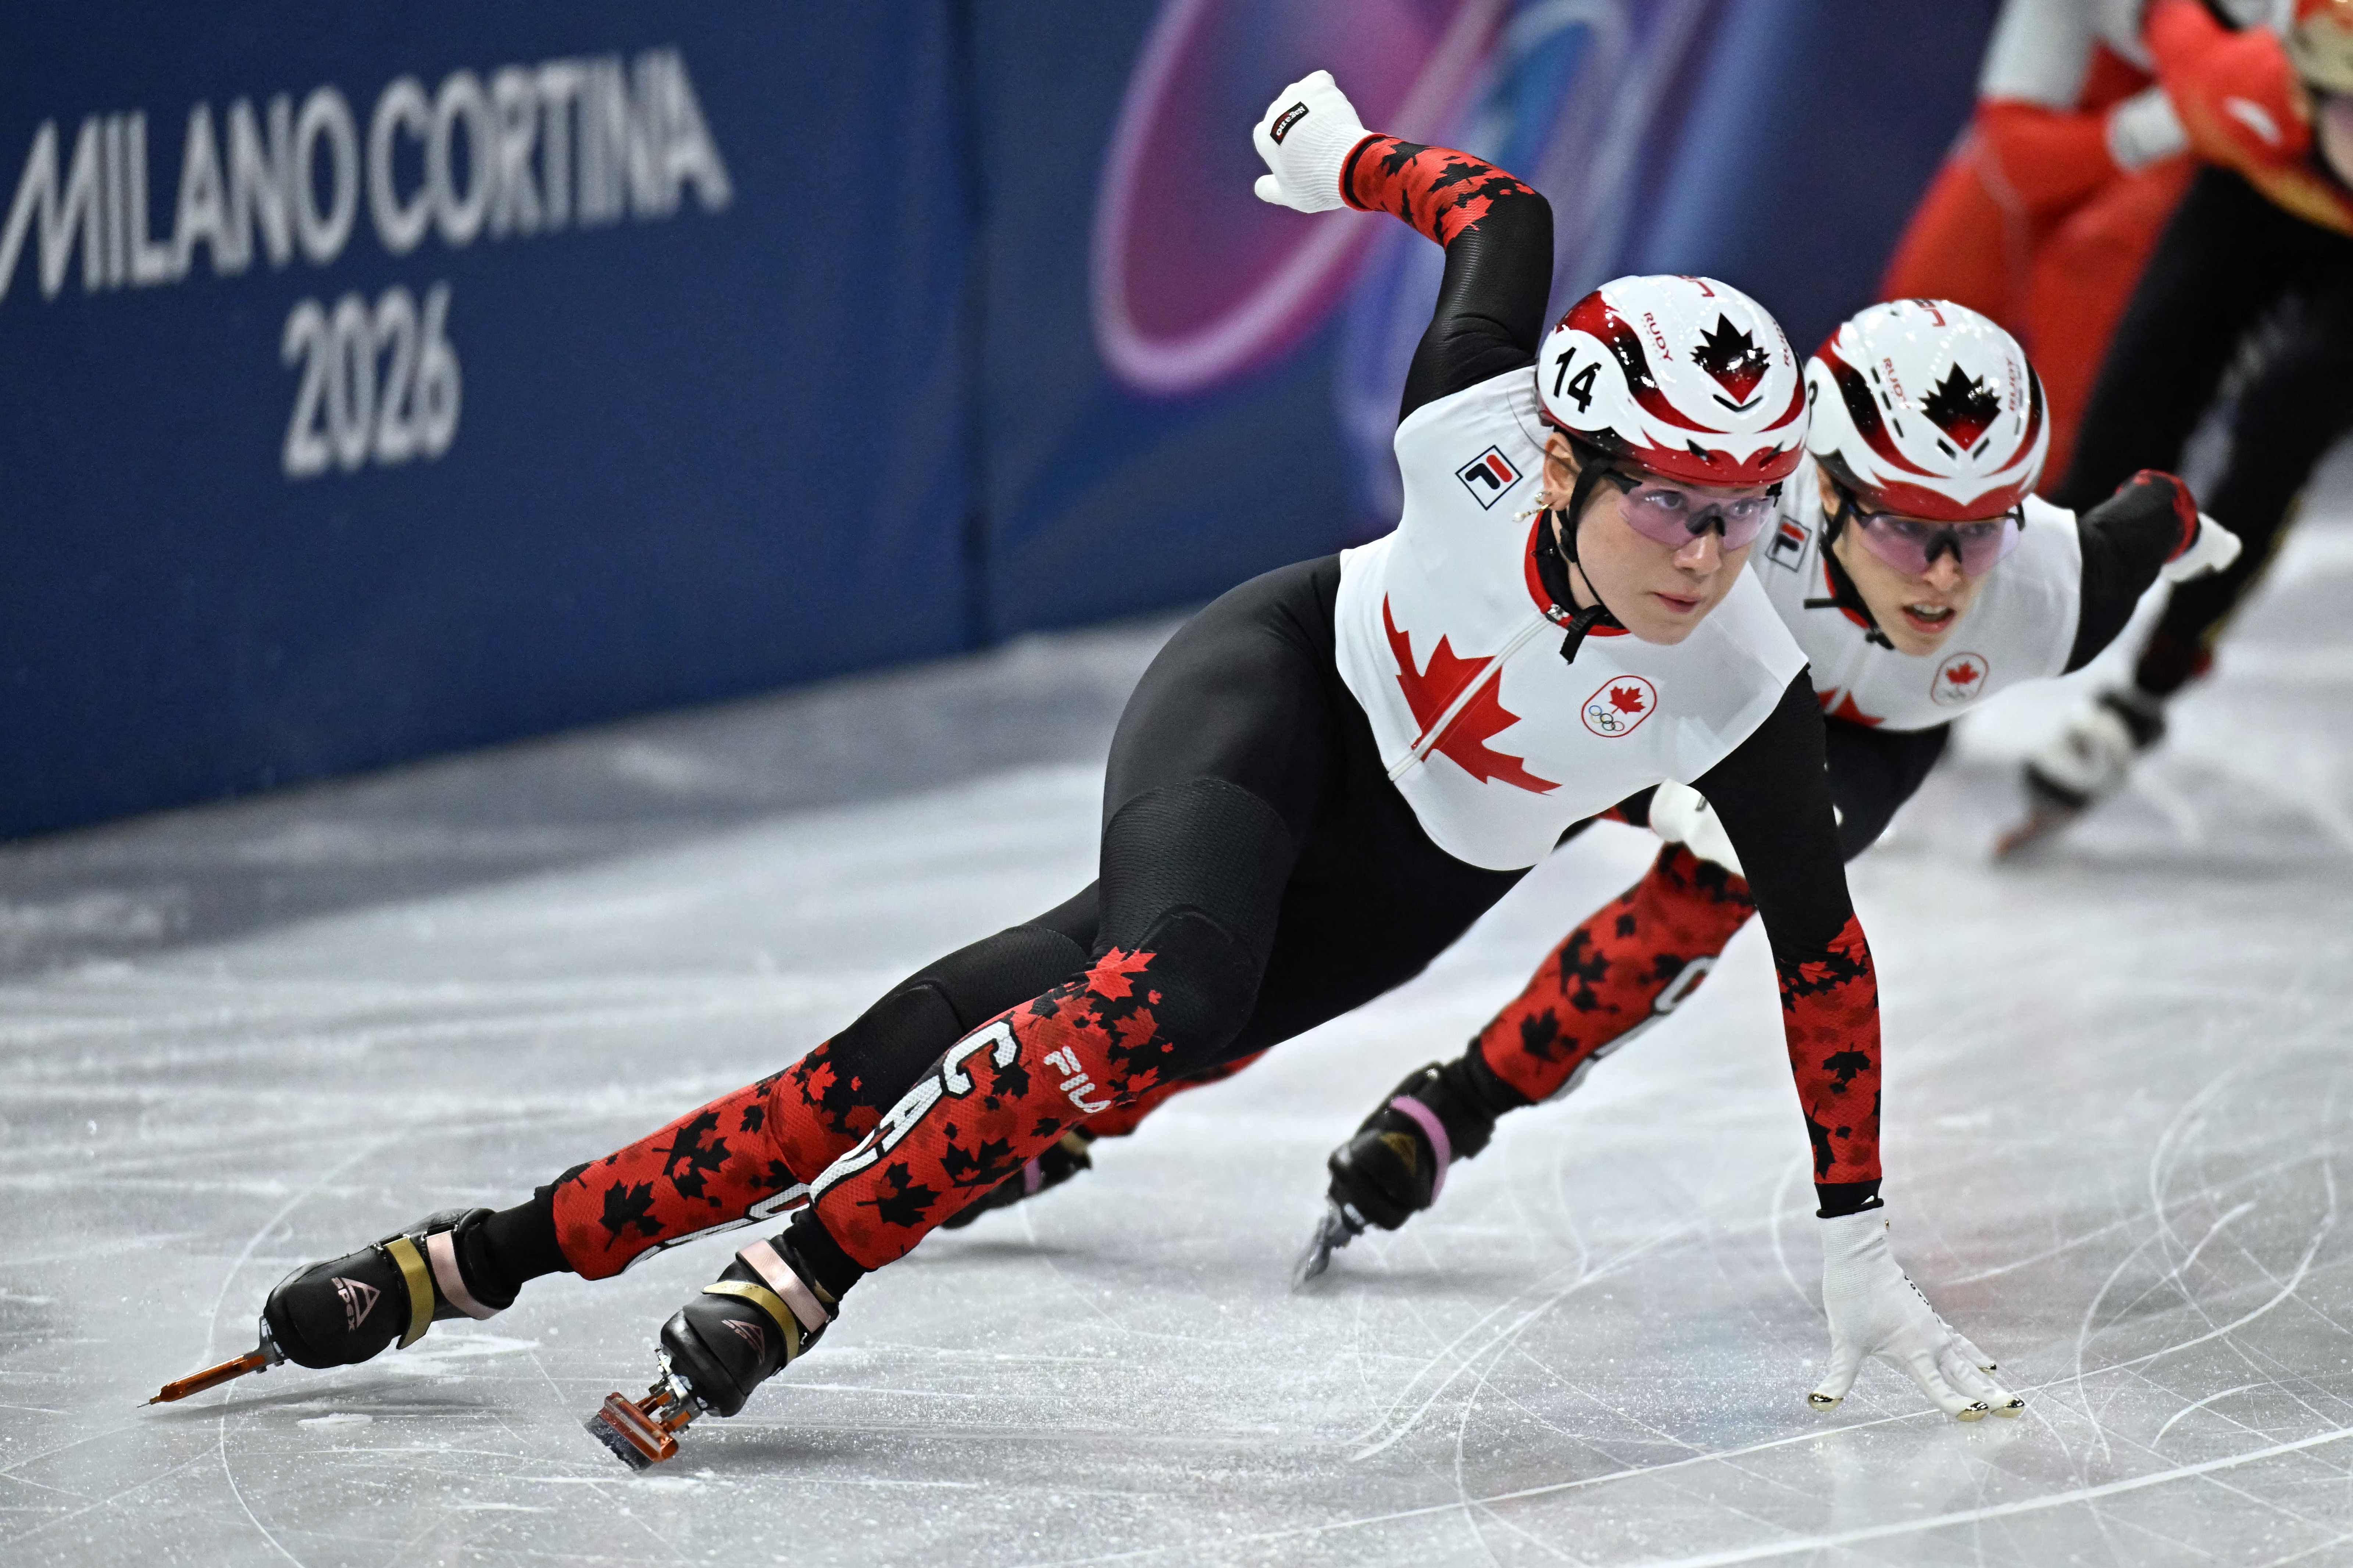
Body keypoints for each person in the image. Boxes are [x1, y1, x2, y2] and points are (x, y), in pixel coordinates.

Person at [178, 71, 2017, 1458]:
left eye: (1746, 511)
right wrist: (1347, 160)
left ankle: (470, 1256)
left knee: (937, 1050)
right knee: (1158, 987)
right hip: (1276, 693)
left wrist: (1856, 1229)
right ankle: (805, 1274)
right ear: (1562, 465)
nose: (1710, 553)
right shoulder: (1471, 430)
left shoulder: (1742, 685)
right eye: (1674, 505)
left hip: (1405, 881)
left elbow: (1820, 953)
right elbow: (1501, 212)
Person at [964, 305, 2240, 1394]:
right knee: (1329, 903)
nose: (1950, 576)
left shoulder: (2056, 593)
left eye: (1985, 527)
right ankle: (1096, 1096)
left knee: (1717, 888)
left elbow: (2154, 517)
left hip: (1845, 753)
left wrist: (2193, 526)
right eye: (1908, 527)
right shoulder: (1723, 528)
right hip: (1659, 700)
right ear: (1818, 489)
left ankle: (1457, 1105)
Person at [2014, 0, 2353, 844]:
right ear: (2309, 87)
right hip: (2250, 178)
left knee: (2286, 420)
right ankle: (1958, 642)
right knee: (2127, 421)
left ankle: (2148, 689)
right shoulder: (2232, 79)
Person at [1880, 0, 2197, 483]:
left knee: (2096, 259)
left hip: (2222, 122)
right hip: (2141, 96)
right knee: (1926, 312)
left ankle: (2062, 498)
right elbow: (2016, 156)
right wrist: (2143, 129)